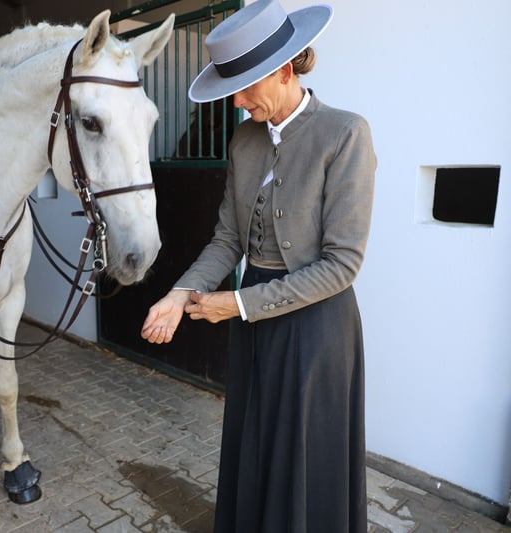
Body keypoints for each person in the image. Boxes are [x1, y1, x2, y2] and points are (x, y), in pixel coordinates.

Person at [140, 0, 376, 531]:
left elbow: (342, 264)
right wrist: (179, 294)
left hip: (318, 326)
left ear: (285, 70)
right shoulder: (244, 141)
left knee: (305, 455)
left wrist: (239, 303)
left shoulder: (345, 134)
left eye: (246, 88)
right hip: (253, 324)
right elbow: (228, 239)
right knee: (257, 442)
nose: (237, 101)